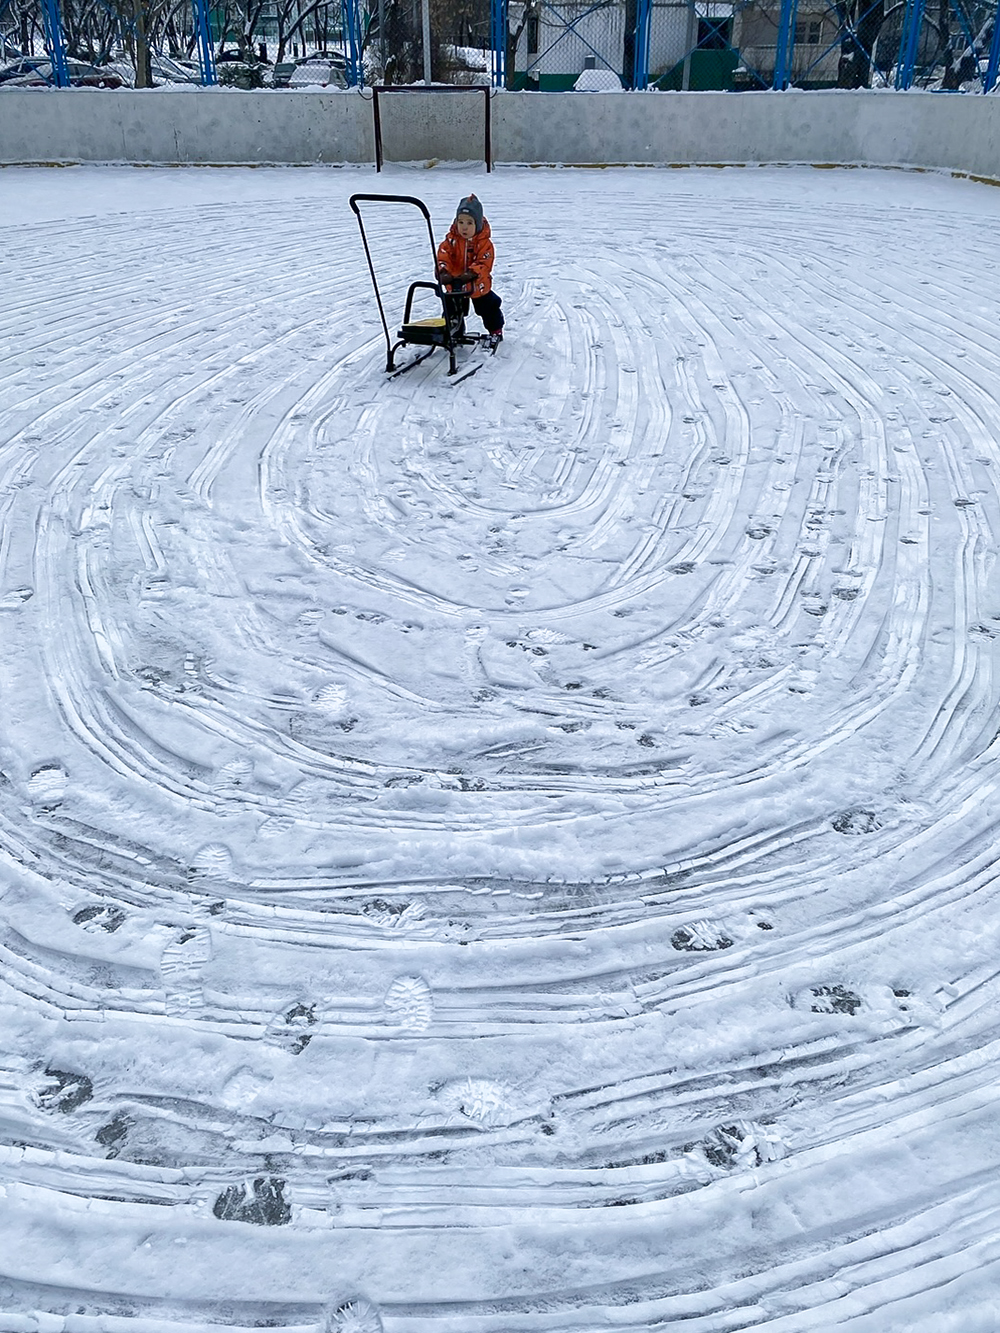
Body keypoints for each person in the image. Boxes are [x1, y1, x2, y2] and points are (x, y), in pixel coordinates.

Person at [436, 194, 504, 351]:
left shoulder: (484, 243)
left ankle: (495, 331)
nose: (464, 227)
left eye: (469, 223)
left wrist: (473, 273)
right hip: (455, 283)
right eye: (460, 222)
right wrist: (443, 271)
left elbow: (484, 262)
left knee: (488, 307)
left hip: (477, 284)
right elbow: (443, 255)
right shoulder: (451, 241)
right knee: (451, 309)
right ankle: (454, 331)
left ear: (478, 224)